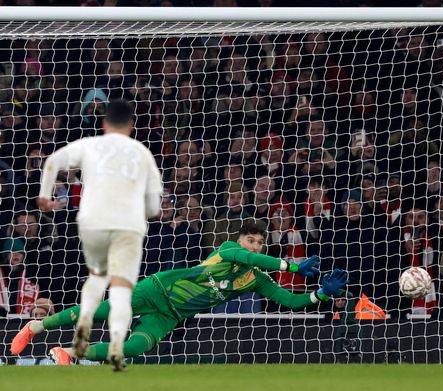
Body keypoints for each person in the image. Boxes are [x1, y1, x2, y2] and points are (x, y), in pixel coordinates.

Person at [10, 222, 347, 366]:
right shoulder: (229, 249)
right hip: (157, 289)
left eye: (260, 242)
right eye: (252, 240)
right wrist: (288, 266)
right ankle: (34, 328)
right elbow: (245, 258)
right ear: (242, 240)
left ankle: (69, 353)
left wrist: (320, 295)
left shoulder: (256, 279)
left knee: (136, 346)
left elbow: (289, 301)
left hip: (171, 315)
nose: (255, 246)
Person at [37, 99, 163, 371]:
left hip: (92, 223)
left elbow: (51, 162)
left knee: (96, 278)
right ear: (131, 125)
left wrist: (45, 197)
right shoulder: (142, 154)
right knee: (120, 289)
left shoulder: (90, 145)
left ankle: (81, 332)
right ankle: (116, 349)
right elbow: (154, 207)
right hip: (127, 226)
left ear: (104, 123)